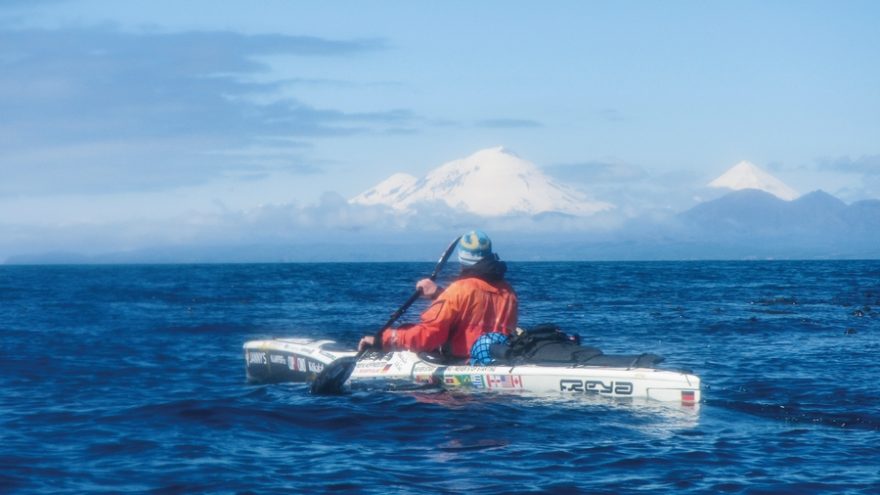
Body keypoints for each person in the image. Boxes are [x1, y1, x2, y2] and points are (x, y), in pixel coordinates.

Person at [358, 230, 518, 361]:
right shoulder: (508, 291)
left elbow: (429, 337)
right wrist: (438, 294)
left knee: (405, 329)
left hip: (460, 366)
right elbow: (473, 310)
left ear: (462, 258)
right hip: (494, 360)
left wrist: (383, 340)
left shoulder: (458, 290)